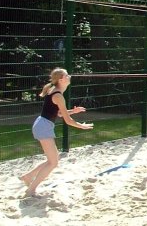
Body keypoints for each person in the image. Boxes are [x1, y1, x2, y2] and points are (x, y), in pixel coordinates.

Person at [20, 68, 93, 197]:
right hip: (43, 127)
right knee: (53, 162)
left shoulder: (55, 92)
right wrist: (82, 126)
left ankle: (28, 176)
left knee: (52, 159)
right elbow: (68, 121)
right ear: (61, 79)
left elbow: (58, 113)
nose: (69, 76)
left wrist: (73, 111)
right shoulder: (58, 95)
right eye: (67, 75)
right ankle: (31, 189)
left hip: (42, 124)